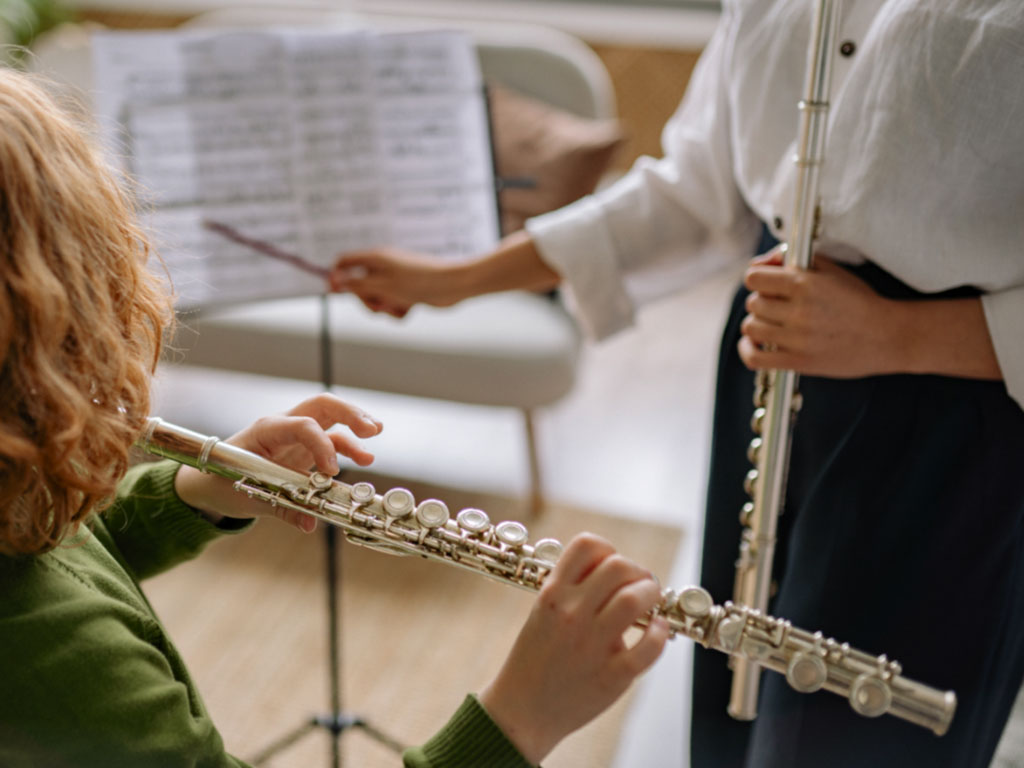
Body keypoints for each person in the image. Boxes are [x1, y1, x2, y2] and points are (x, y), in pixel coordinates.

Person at [328, 2, 1024, 767]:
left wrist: (901, 334)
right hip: (774, 358)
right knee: (737, 707)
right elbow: (697, 191)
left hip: (964, 405)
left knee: (866, 736)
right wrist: (460, 280)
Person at [0, 67, 671, 768]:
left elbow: (65, 545)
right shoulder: (53, 647)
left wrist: (197, 491)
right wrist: (520, 718)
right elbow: (54, 603)